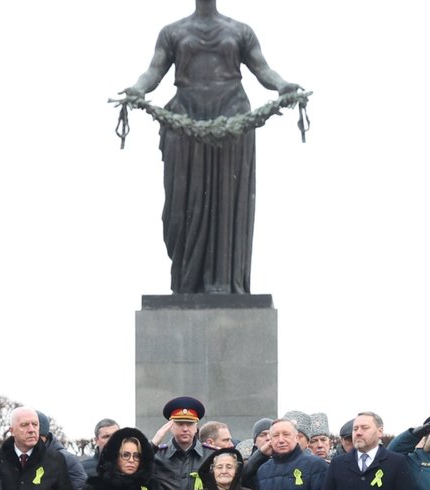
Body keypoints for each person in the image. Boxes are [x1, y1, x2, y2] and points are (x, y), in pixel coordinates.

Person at [118, 0, 301, 295]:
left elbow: (263, 69)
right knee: (179, 208)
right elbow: (153, 71)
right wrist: (138, 89)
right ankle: (186, 282)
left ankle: (222, 285)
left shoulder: (241, 31)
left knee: (226, 199)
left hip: (232, 117)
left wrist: (283, 85)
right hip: (184, 117)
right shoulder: (172, 32)